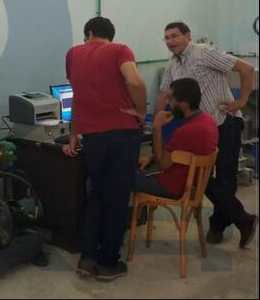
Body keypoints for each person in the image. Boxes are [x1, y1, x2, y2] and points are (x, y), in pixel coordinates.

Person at [156, 21, 257, 248]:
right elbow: (164, 94)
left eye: (175, 36)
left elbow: (246, 69)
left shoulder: (204, 53)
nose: (170, 41)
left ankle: (218, 226)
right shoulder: (173, 63)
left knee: (225, 178)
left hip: (224, 123)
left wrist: (241, 101)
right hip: (200, 128)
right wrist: (157, 119)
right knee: (198, 176)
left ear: (187, 36)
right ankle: (242, 218)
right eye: (167, 38)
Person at [62, 17, 147, 282]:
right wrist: (141, 111)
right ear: (110, 35)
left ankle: (87, 259)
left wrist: (73, 135)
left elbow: (78, 96)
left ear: (89, 33)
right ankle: (109, 263)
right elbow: (135, 82)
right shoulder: (119, 50)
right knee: (117, 197)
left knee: (96, 194)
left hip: (92, 137)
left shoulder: (73, 54)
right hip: (122, 133)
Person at [136, 78, 218, 199]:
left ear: (183, 104)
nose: (168, 104)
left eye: (171, 99)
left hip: (172, 187)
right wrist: (150, 157)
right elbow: (177, 152)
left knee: (121, 173)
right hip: (191, 183)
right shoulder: (208, 120)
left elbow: (162, 164)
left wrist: (157, 127)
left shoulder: (187, 130)